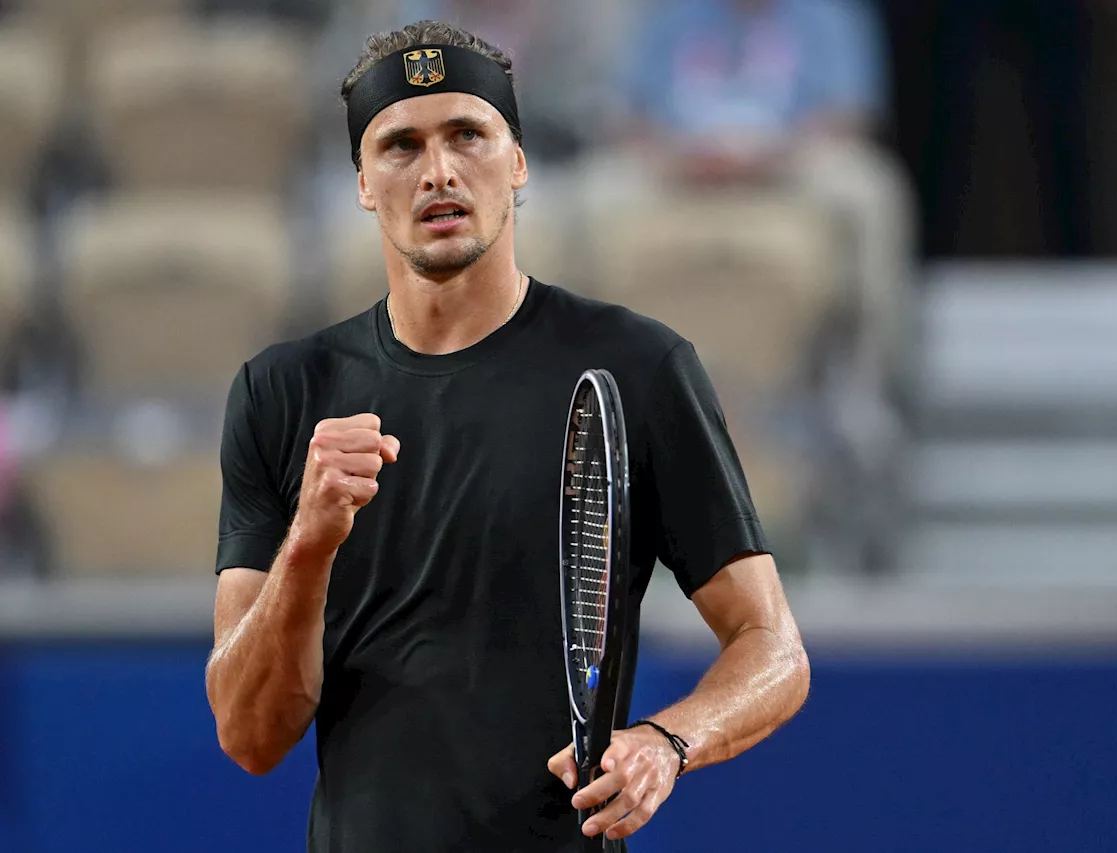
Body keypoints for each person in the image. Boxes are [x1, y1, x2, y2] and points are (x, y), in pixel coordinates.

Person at [204, 19, 810, 853]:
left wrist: (667, 743)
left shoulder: (637, 366)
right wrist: (309, 542)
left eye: (468, 135)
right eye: (400, 146)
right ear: (362, 184)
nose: (439, 170)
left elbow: (773, 647)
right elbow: (248, 733)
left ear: (518, 164)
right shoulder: (280, 394)